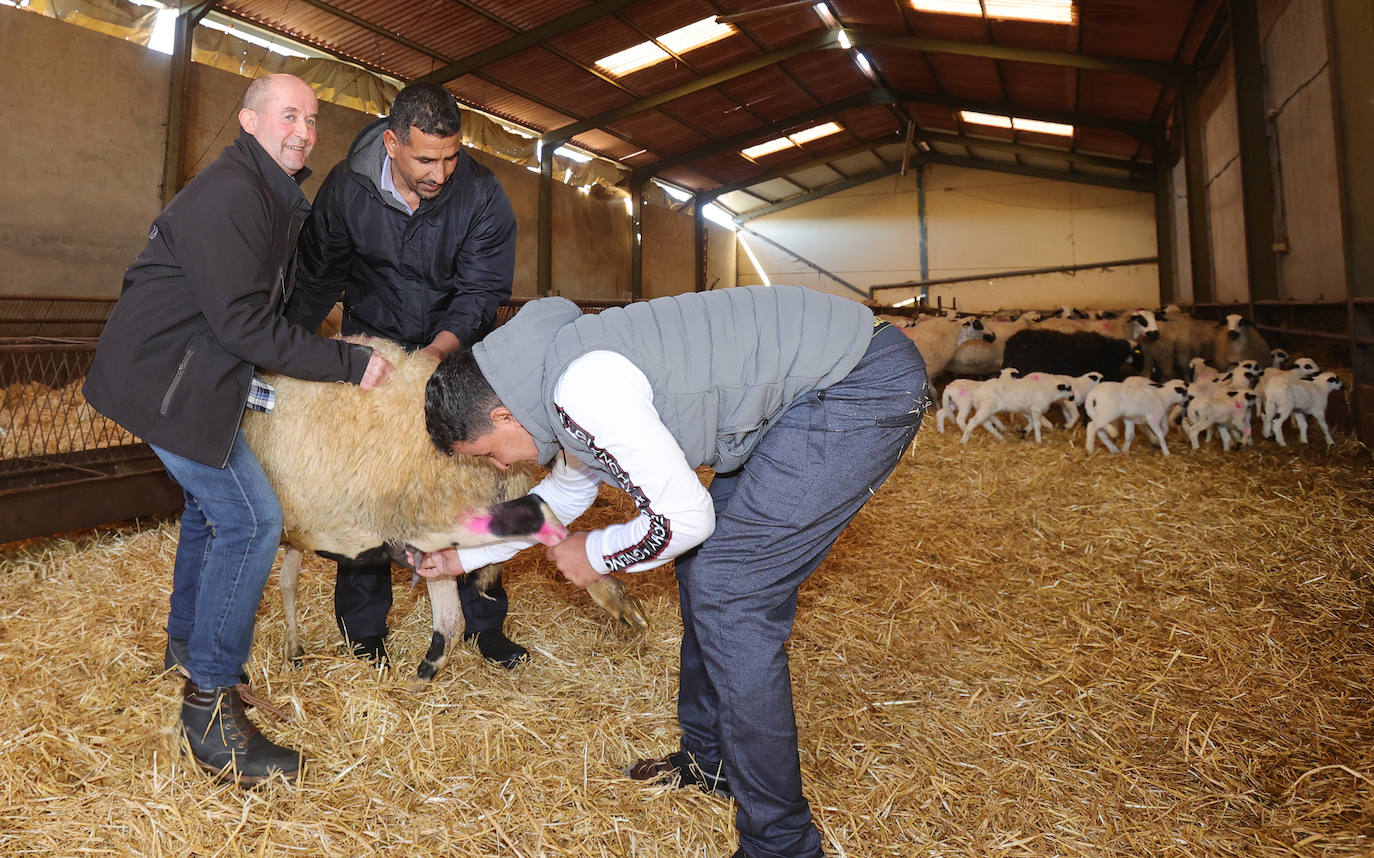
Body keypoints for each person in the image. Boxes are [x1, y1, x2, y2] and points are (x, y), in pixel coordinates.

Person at [417, 285, 927, 858]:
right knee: (707, 573)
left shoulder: (584, 389)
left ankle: (780, 844)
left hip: (854, 382)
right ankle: (710, 763)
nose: (500, 464)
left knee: (730, 594)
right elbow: (558, 496)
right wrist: (464, 552)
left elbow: (686, 517)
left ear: (502, 413)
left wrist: (598, 553)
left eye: (488, 451)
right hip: (801, 395)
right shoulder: (553, 380)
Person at [83, 73, 394, 786]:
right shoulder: (234, 195)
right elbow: (241, 323)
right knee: (253, 520)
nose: (304, 131)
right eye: (289, 115)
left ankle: (187, 653)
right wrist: (345, 363)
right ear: (251, 121)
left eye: (312, 119)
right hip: (169, 378)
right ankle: (210, 711)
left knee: (209, 511)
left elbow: (247, 312)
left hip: (186, 372)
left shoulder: (264, 191)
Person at [284, 82, 524, 669]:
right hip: (376, 348)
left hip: (457, 353)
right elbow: (317, 277)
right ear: (392, 143)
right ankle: (363, 632)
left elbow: (482, 290)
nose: (440, 172)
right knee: (367, 485)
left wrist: (437, 356)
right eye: (425, 159)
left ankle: (485, 623)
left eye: (450, 157)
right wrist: (285, 349)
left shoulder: (482, 195)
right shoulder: (347, 190)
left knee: (471, 483)